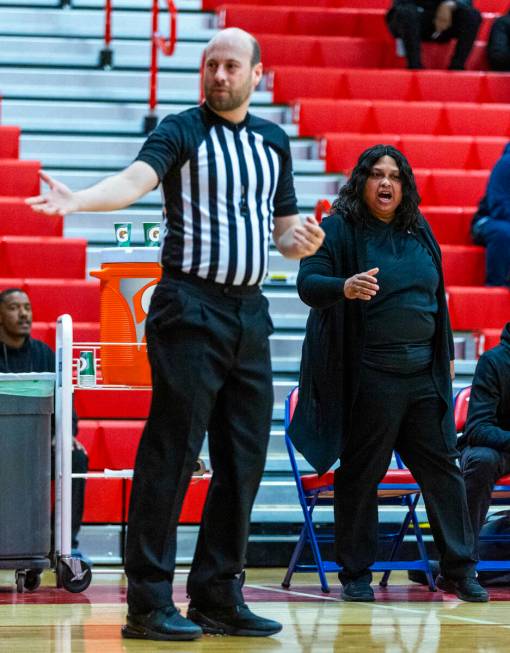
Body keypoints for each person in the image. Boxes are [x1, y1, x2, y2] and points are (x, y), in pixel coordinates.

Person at [26, 28, 324, 641]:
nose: (218, 75)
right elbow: (136, 180)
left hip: (249, 313)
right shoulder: (181, 130)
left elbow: (285, 229)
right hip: (188, 306)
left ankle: (218, 594)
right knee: (174, 452)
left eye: (231, 66)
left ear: (256, 74)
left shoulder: (273, 141)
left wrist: (301, 241)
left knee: (242, 461)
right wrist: (79, 198)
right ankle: (148, 602)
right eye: (211, 64)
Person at [288, 144, 488, 603]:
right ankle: (355, 574)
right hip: (370, 374)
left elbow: (438, 299)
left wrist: (446, 359)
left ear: (405, 186)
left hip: (423, 375)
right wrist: (345, 286)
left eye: (394, 177)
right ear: (361, 182)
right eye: (376, 175)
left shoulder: (419, 229)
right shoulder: (338, 229)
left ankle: (459, 568)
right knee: (362, 472)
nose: (385, 184)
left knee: (444, 471)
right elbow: (308, 284)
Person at [0, 287, 88, 559]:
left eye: (27, 307)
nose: (24, 314)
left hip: (37, 444)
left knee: (75, 456)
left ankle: (62, 544)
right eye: (15, 307)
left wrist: (64, 434)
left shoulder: (45, 353)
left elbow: (66, 402)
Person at [459, 322, 510, 551]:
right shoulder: (494, 361)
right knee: (482, 460)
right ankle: (461, 561)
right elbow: (478, 428)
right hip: (494, 448)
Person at [386, 1, 482, 70]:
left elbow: (466, 3)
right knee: (406, 13)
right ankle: (414, 66)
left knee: (472, 15)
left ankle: (457, 66)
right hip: (412, 21)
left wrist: (449, 4)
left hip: (444, 23)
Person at [471, 143, 510, 287]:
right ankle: (496, 286)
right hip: (489, 220)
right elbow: (498, 206)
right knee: (504, 232)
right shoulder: (506, 164)